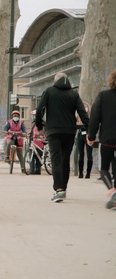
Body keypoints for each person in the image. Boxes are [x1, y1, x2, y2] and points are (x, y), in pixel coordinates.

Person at [35, 72, 89, 203]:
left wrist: (39, 126)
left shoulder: (49, 91)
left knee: (56, 159)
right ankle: (63, 188)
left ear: (55, 81)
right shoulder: (74, 94)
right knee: (65, 160)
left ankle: (59, 189)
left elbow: (39, 110)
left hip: (53, 131)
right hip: (69, 132)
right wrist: (89, 129)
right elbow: (82, 112)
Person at [87, 69, 116, 209]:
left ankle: (112, 191)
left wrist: (91, 136)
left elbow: (94, 118)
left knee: (104, 168)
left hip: (108, 140)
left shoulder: (103, 96)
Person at [75, 101, 93, 178]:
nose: (85, 108)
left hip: (89, 135)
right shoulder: (77, 116)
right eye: (83, 107)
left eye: (86, 107)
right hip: (80, 135)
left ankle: (88, 173)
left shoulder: (90, 117)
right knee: (81, 154)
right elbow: (75, 125)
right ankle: (81, 172)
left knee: (89, 155)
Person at [28, 110, 46, 175]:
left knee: (33, 156)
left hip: (37, 142)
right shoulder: (42, 123)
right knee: (38, 157)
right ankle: (38, 170)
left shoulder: (39, 123)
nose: (33, 117)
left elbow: (40, 133)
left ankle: (32, 170)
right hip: (39, 142)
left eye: (34, 116)